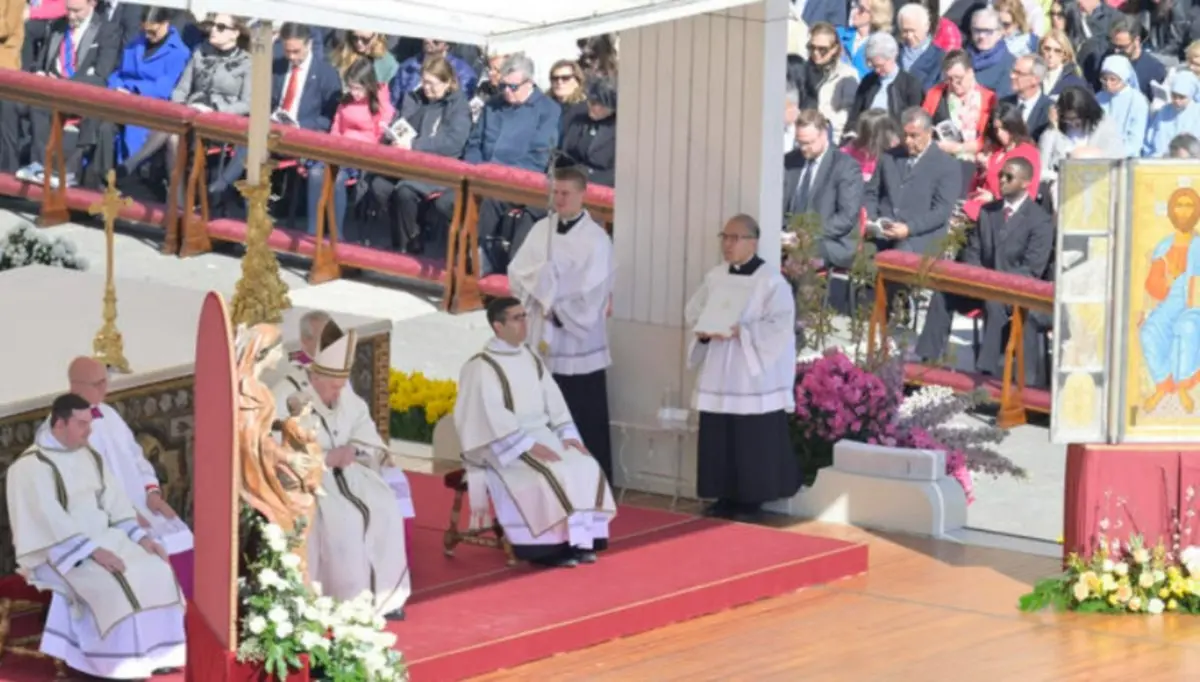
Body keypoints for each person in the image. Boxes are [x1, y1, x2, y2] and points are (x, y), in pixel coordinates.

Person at [9, 393, 185, 679]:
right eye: (81, 424)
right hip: (60, 551)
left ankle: (155, 654)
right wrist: (93, 552)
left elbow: (115, 502)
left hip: (106, 536)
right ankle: (111, 664)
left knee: (156, 567)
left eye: (89, 424)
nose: (88, 431)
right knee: (116, 582)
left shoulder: (89, 454)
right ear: (60, 424)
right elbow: (47, 522)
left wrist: (143, 540)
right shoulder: (30, 467)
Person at [453, 297, 617, 568]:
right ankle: (548, 550)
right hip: (504, 446)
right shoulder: (482, 366)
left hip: (542, 434)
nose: (524, 323)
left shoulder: (529, 356)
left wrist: (569, 437)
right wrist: (526, 445)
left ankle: (580, 541)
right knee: (551, 473)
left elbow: (554, 400)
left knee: (585, 465)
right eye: (517, 318)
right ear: (498, 326)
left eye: (524, 316)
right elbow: (489, 417)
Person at [271, 322, 411, 619]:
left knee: (385, 506)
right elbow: (275, 450)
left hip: (349, 474)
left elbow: (363, 425)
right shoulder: (288, 393)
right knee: (346, 521)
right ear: (316, 375)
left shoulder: (342, 390)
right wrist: (324, 457)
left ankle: (387, 598)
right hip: (310, 481)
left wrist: (368, 451)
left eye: (341, 386)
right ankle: (349, 605)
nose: (338, 394)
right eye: (334, 387)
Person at [42, 357, 194, 594]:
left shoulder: (109, 415)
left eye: (106, 381)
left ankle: (185, 614)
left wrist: (152, 494)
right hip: (102, 523)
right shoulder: (57, 431)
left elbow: (135, 457)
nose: (105, 388)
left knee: (180, 535)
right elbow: (77, 489)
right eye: (98, 383)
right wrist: (124, 516)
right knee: (147, 553)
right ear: (75, 385)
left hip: (140, 506)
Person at [685, 215, 800, 521]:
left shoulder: (771, 281)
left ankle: (750, 499)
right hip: (720, 367)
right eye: (725, 237)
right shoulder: (715, 277)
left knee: (750, 435)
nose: (727, 244)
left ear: (753, 242)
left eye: (735, 238)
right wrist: (704, 328)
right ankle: (722, 494)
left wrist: (743, 332)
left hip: (750, 372)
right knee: (719, 431)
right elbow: (694, 311)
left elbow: (779, 327)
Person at [507, 164, 616, 482]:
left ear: (583, 194)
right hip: (542, 333)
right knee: (542, 410)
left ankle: (589, 481)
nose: (559, 199)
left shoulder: (596, 239)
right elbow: (517, 273)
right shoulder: (542, 229)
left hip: (575, 343)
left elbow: (594, 291)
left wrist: (557, 306)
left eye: (566, 193)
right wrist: (539, 283)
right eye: (555, 191)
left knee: (580, 411)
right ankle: (546, 476)